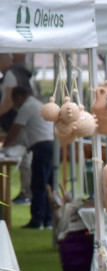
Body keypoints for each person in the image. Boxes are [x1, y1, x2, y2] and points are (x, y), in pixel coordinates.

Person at [3, 86, 51, 228]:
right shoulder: (37, 105)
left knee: (38, 185)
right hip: (50, 146)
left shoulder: (27, 107)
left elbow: (15, 130)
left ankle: (37, 221)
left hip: (42, 147)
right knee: (47, 185)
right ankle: (48, 220)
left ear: (20, 96)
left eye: (14, 100)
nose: (14, 104)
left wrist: (5, 146)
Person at [1, 54, 33, 204]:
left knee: (23, 158)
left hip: (17, 121)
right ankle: (26, 191)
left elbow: (8, 100)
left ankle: (26, 192)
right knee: (25, 158)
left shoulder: (10, 74)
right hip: (22, 121)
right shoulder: (19, 72)